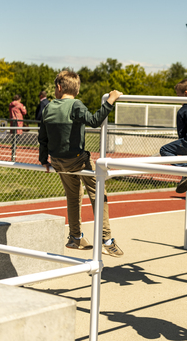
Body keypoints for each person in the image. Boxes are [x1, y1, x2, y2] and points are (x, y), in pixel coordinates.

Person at [38, 70, 124, 257]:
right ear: (75, 90)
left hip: (58, 161)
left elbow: (42, 137)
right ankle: (107, 239)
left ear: (59, 88)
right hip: (78, 160)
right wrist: (111, 100)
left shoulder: (48, 107)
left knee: (74, 196)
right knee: (98, 193)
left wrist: (44, 160)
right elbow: (94, 121)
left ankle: (75, 237)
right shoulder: (75, 105)